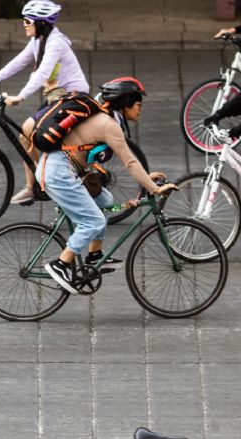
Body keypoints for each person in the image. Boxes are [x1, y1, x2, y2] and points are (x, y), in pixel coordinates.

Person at [38, 77, 177, 293]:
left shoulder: (107, 118)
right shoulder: (108, 124)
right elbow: (129, 161)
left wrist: (148, 178)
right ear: (125, 104)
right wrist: (155, 188)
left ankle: (95, 255)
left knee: (105, 200)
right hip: (58, 172)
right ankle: (62, 263)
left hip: (64, 169)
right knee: (92, 221)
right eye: (138, 105)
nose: (141, 110)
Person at [0, 0, 89, 205]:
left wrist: (21, 96)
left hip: (73, 98)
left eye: (27, 20)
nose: (24, 24)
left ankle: (52, 179)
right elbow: (19, 62)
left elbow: (42, 73)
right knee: (25, 136)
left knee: (30, 130)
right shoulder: (39, 40)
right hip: (56, 97)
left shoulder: (56, 43)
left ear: (41, 23)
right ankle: (33, 186)